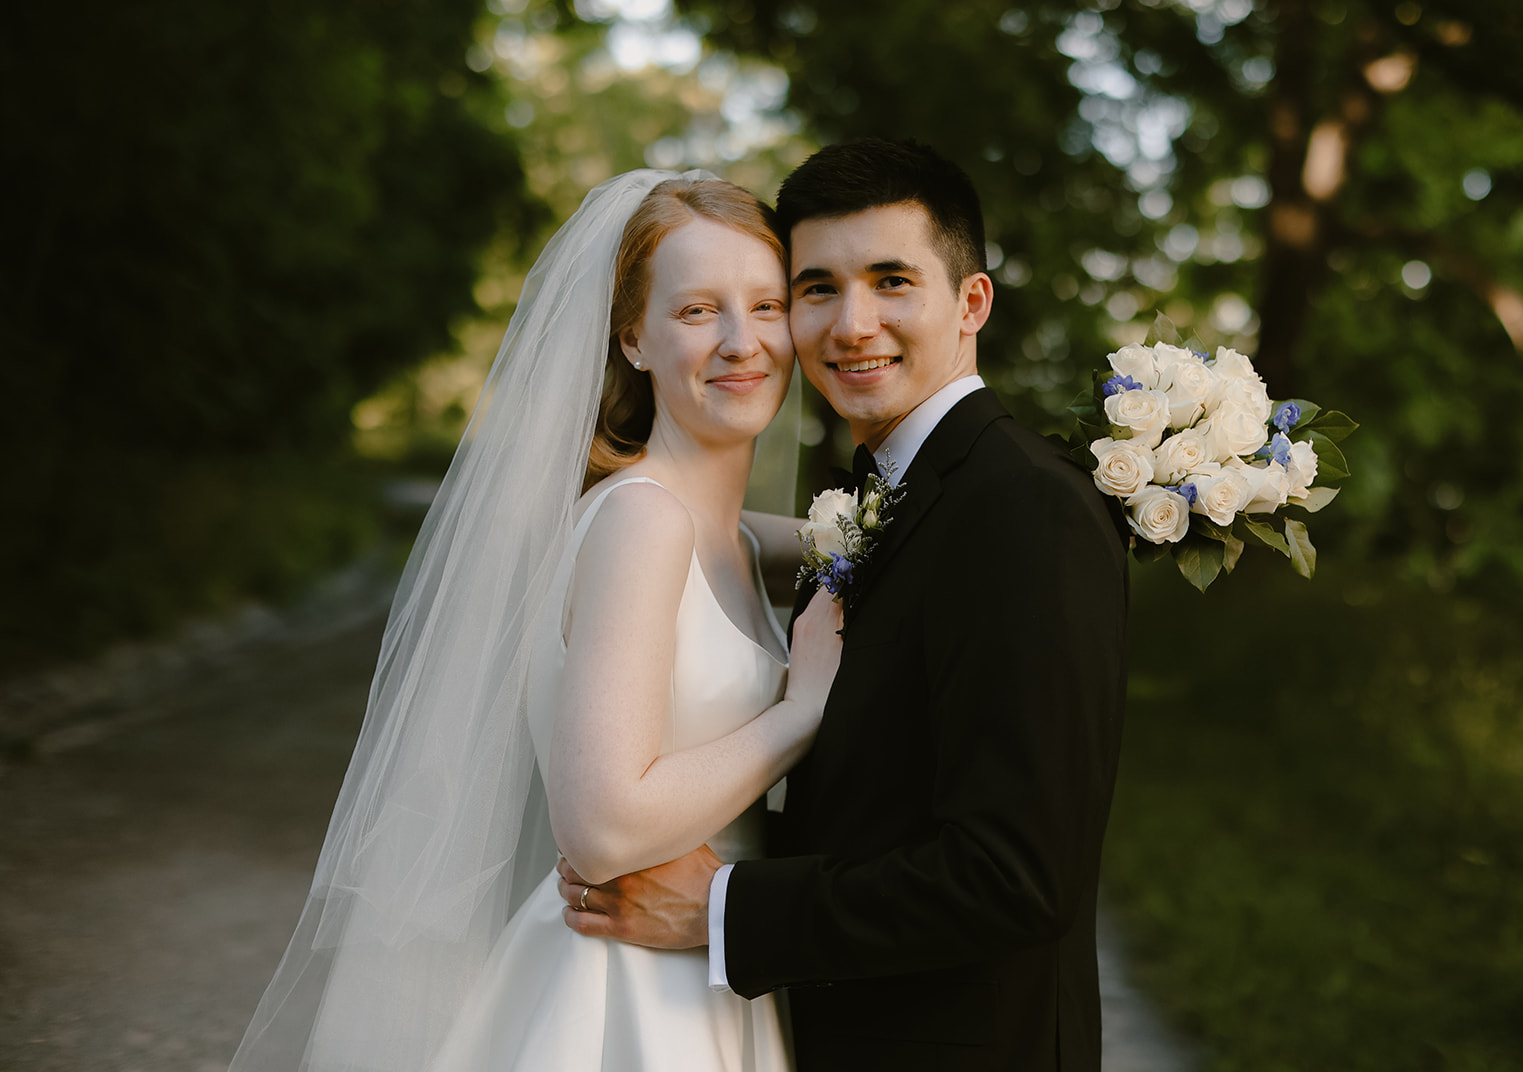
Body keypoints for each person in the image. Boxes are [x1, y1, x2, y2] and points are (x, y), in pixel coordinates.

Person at [229, 170, 842, 1072]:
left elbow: (876, 541)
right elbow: (598, 828)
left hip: (706, 969)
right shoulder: (644, 523)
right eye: (696, 312)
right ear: (632, 337)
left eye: (763, 304)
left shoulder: (737, 540)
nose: (740, 342)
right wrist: (800, 711)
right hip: (623, 998)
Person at [558, 139, 1130, 1070]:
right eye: (817, 288)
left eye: (893, 280)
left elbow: (1016, 875)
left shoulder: (1021, 506)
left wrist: (725, 908)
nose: (852, 324)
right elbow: (876, 808)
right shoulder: (885, 502)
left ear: (971, 303)